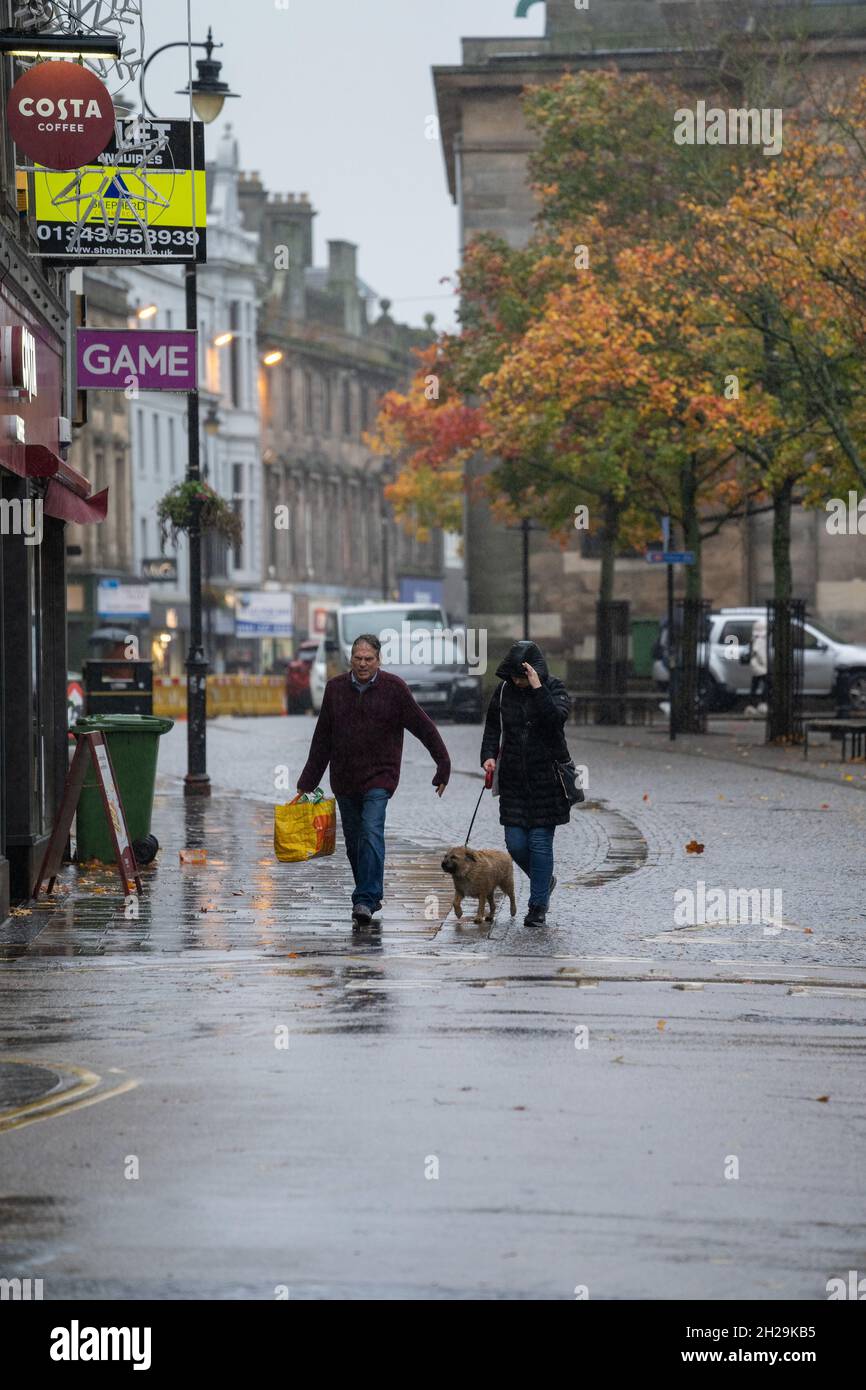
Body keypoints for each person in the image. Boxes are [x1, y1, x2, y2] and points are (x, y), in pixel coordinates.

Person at [297, 633, 450, 926]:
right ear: (350, 659)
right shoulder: (335, 689)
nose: (363, 664)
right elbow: (322, 739)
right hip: (344, 778)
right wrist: (308, 781)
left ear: (379, 660)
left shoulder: (395, 689)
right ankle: (371, 894)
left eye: (369, 659)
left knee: (370, 831)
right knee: (355, 843)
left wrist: (443, 764)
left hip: (381, 776)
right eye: (358, 658)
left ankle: (365, 899)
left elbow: (423, 726)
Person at [481, 640, 572, 928]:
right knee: (515, 843)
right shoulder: (505, 689)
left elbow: (555, 721)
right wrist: (488, 756)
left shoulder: (553, 689)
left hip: (548, 779)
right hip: (514, 780)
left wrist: (537, 688)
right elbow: (493, 725)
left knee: (539, 842)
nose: (517, 682)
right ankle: (545, 882)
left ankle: (537, 907)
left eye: (522, 677)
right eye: (515, 678)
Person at [747, 617, 769, 714]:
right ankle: (762, 703)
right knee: (768, 685)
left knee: (755, 685)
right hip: (760, 666)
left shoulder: (754, 638)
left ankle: (751, 704)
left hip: (755, 666)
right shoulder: (761, 639)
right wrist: (765, 663)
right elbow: (759, 653)